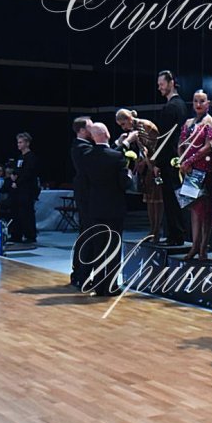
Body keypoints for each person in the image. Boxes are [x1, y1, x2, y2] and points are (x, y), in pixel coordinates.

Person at [79, 122, 132, 296]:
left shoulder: (86, 156)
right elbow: (124, 183)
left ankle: (98, 284)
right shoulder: (116, 157)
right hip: (114, 208)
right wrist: (130, 174)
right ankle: (110, 286)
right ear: (107, 134)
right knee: (113, 248)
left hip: (95, 207)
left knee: (98, 247)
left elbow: (84, 183)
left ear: (93, 137)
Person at [178, 91, 212, 260]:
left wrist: (189, 160)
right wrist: (182, 161)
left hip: (205, 170)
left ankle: (203, 247)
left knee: (206, 209)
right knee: (194, 207)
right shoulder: (188, 122)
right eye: (195, 101)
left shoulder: (211, 123)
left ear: (208, 103)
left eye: (202, 101)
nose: (198, 104)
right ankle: (195, 245)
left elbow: (208, 147)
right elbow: (180, 143)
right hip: (190, 170)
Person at [115, 109, 162, 240]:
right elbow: (143, 149)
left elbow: (155, 147)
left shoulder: (144, 126)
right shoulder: (135, 129)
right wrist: (140, 161)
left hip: (155, 164)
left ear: (129, 119)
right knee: (149, 200)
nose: (123, 128)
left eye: (123, 124)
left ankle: (156, 230)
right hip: (147, 165)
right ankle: (152, 230)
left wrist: (147, 162)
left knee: (156, 200)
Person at [155, 70, 189, 246]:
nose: (159, 87)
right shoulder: (181, 105)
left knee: (171, 198)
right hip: (176, 157)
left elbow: (164, 138)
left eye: (162, 84)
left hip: (169, 159)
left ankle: (175, 236)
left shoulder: (171, 107)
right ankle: (177, 234)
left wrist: (157, 162)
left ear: (171, 83)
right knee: (175, 198)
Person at [70, 116, 94, 287]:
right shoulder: (81, 148)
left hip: (85, 195)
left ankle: (78, 272)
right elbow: (100, 160)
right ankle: (81, 274)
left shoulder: (82, 146)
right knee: (87, 234)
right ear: (82, 130)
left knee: (85, 233)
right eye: (90, 127)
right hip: (87, 196)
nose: (93, 130)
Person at [9, 132, 40, 244]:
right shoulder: (20, 157)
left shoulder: (31, 157)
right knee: (16, 212)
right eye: (18, 142)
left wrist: (18, 182)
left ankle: (30, 235)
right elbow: (17, 170)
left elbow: (28, 173)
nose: (18, 144)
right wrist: (13, 177)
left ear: (27, 143)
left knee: (26, 212)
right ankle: (16, 234)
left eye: (21, 142)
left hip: (27, 189)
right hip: (17, 189)